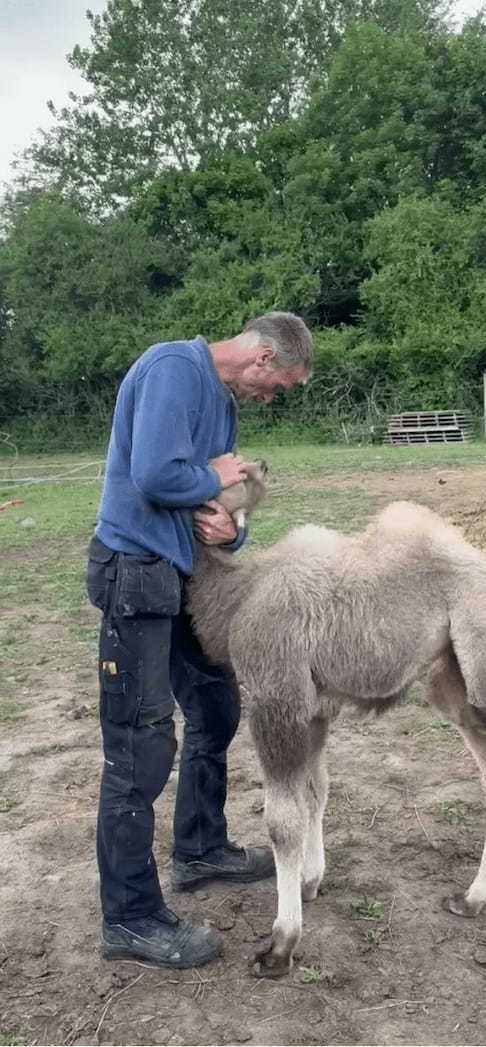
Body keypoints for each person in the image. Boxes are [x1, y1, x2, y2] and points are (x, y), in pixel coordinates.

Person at [86, 312, 313, 968]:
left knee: (216, 705)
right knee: (140, 743)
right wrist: (212, 479)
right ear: (262, 354)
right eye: (278, 385)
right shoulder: (171, 369)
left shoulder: (220, 401)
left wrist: (230, 530)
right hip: (135, 573)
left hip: (188, 575)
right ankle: (129, 916)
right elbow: (158, 477)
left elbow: (224, 500)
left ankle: (200, 848)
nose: (271, 397)